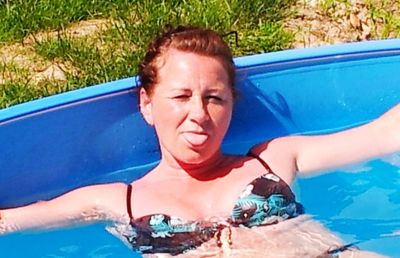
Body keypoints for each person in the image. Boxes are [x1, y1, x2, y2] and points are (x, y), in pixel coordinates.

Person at [1, 25, 399, 257]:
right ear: (148, 103)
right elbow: (11, 222)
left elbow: (383, 134)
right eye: (180, 96)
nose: (199, 113)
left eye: (214, 98)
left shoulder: (274, 159)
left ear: (230, 105)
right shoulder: (115, 200)